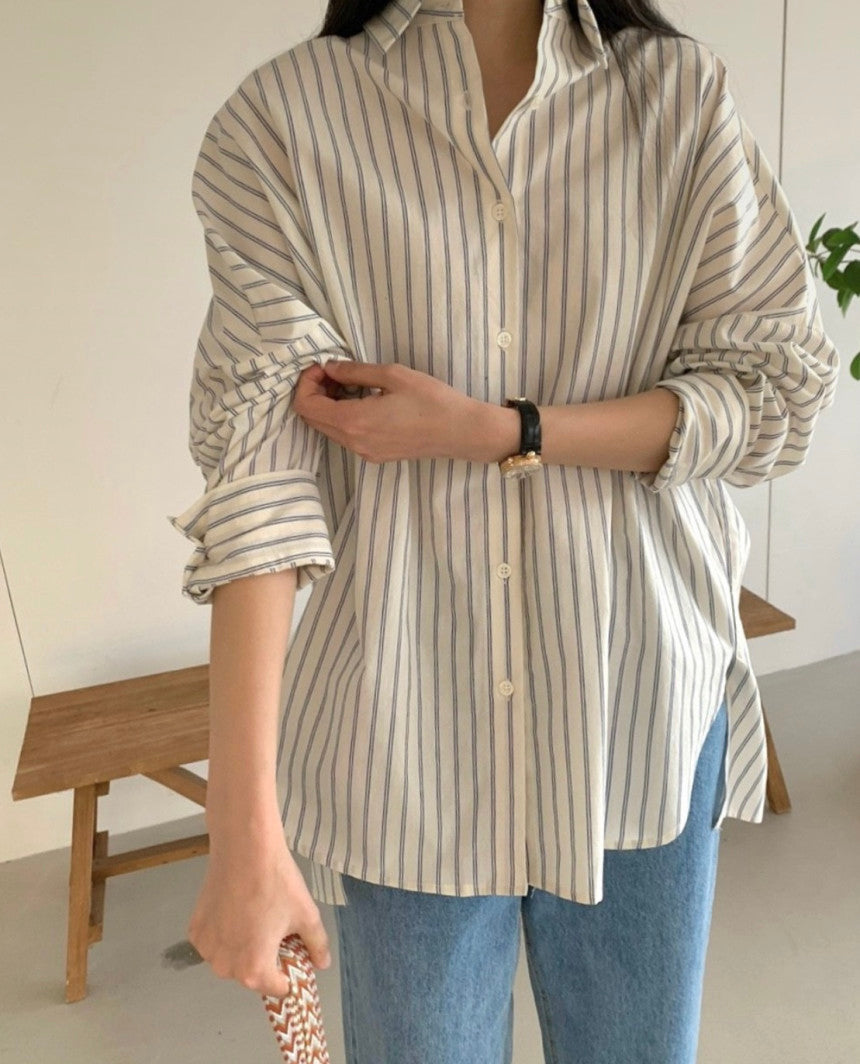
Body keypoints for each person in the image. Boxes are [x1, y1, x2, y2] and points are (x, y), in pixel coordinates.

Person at [168, 0, 840, 1060]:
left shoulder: (679, 99)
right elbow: (260, 482)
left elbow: (775, 397)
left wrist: (500, 429)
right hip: (400, 738)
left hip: (638, 709)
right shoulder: (284, 123)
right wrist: (241, 828)